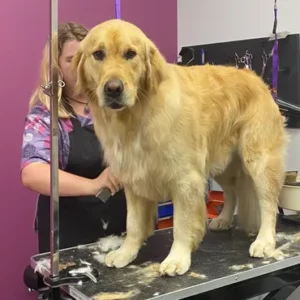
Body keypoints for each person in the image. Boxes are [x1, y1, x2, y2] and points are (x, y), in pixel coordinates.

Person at [21, 22, 127, 254]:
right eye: (70, 59)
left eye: (85, 57)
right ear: (56, 66)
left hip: (123, 229)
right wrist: (94, 185)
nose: (79, 66)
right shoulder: (45, 115)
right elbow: (32, 174)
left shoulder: (115, 105)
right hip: (71, 236)